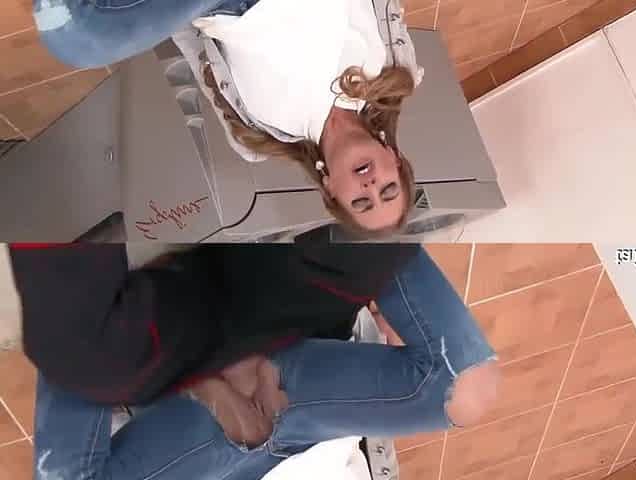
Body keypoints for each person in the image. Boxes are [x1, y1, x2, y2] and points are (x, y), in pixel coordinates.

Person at [3, 241, 500, 479]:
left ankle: (75, 228)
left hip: (218, 451)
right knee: (465, 390)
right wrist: (381, 273)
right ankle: (368, 223)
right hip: (303, 425)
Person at [32, 0, 420, 236]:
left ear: (331, 190)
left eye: (362, 202)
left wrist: (167, 19)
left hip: (224, 9)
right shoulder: (395, 72)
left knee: (80, 40)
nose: (371, 186)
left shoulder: (258, 137)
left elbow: (196, 53)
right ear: (395, 160)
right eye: (388, 189)